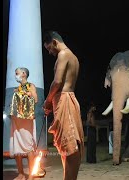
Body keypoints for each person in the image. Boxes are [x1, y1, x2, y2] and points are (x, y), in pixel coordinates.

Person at [42, 31, 84, 180]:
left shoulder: (63, 55)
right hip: (69, 98)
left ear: (54, 42)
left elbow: (57, 81)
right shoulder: (73, 57)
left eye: (49, 48)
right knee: (68, 146)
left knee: (69, 146)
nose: (49, 52)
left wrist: (47, 101)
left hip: (64, 100)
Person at [9, 67, 39, 180]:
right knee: (17, 146)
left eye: (17, 73)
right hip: (16, 120)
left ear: (24, 74)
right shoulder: (18, 88)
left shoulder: (31, 85)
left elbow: (35, 99)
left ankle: (31, 174)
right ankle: (21, 173)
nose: (15, 75)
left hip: (27, 120)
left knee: (28, 146)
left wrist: (28, 93)